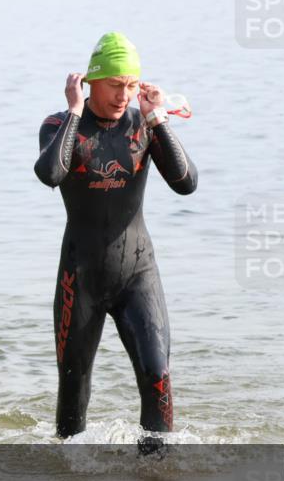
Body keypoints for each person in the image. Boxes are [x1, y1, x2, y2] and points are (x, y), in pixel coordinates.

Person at [33, 32, 198, 447]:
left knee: (157, 376)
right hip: (80, 276)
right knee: (75, 392)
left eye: (130, 85)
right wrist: (73, 112)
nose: (123, 95)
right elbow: (50, 174)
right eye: (114, 85)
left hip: (136, 272)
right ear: (90, 82)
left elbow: (186, 184)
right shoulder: (58, 125)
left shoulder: (143, 125)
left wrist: (157, 117)